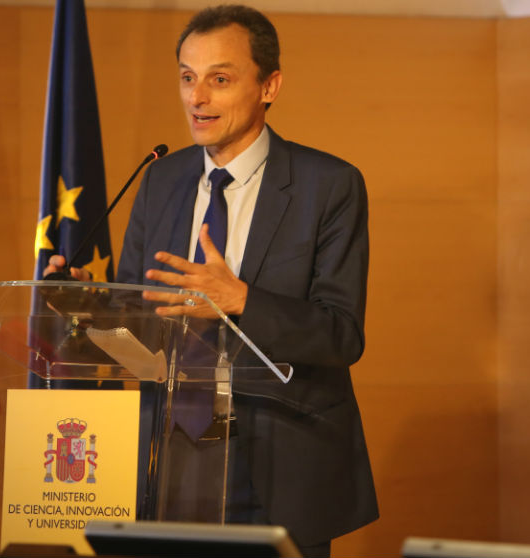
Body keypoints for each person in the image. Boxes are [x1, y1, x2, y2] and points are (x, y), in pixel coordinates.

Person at [46, 5, 376, 556]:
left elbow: (341, 334)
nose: (196, 98)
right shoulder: (161, 179)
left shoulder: (330, 186)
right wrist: (89, 304)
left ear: (269, 85)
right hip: (172, 461)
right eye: (187, 77)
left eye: (218, 80)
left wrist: (240, 299)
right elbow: (139, 327)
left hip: (279, 467)